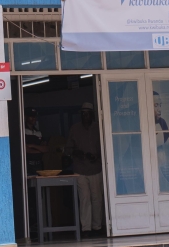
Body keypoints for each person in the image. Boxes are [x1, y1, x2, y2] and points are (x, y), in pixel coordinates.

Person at [65, 101, 104, 236]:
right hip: (80, 169)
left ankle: (97, 226)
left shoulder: (99, 128)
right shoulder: (75, 129)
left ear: (92, 115)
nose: (85, 116)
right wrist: (76, 152)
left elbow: (106, 146)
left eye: (87, 114)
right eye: (83, 114)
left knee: (97, 199)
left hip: (96, 168)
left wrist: (96, 155)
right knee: (84, 198)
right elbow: (68, 149)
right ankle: (86, 228)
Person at [24, 108, 46, 176]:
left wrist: (32, 145)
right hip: (27, 165)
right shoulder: (22, 131)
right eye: (31, 116)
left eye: (35, 116)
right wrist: (40, 150)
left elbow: (46, 149)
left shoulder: (38, 132)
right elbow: (25, 150)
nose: (33, 118)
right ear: (25, 117)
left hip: (39, 165)